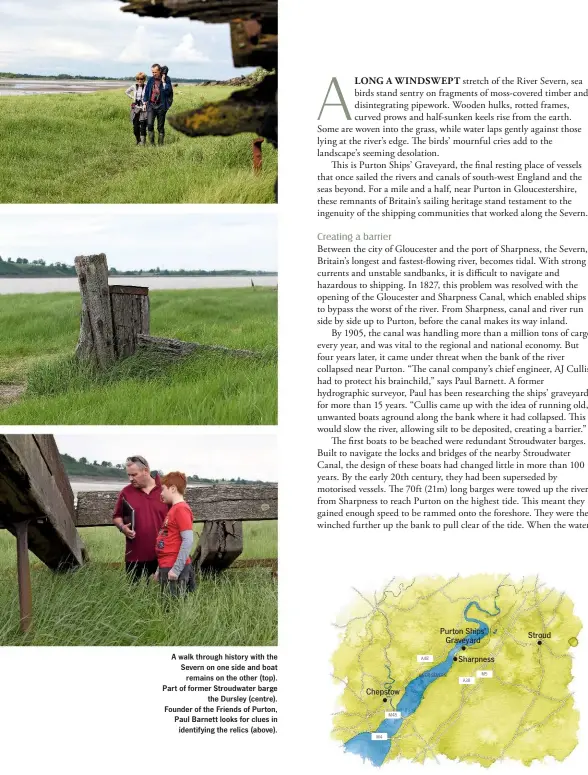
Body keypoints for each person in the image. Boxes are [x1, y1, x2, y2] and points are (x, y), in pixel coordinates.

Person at [112, 455, 168, 582]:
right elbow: (116, 517)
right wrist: (122, 528)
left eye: (134, 474)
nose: (130, 479)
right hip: (135, 556)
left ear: (146, 471)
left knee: (162, 596)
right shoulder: (126, 492)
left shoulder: (165, 489)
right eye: (128, 475)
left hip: (163, 555)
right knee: (134, 597)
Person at [154, 472, 197, 597]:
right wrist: (159, 569)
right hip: (166, 564)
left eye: (163, 489)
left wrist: (176, 569)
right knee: (169, 603)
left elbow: (188, 540)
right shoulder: (172, 509)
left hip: (174, 566)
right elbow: (167, 539)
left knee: (173, 606)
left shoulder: (181, 509)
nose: (161, 493)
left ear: (173, 489)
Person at [143, 63, 174, 146]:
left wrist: (163, 81)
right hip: (151, 106)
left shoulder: (167, 79)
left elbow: (168, 92)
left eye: (155, 72)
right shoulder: (150, 80)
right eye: (152, 72)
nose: (153, 74)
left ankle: (160, 144)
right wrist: (144, 102)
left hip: (161, 106)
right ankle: (152, 144)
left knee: (160, 127)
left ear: (160, 71)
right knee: (149, 125)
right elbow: (146, 92)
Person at [125, 72, 148, 145]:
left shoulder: (147, 86)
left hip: (144, 108)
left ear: (144, 79)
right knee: (135, 127)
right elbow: (126, 92)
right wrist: (132, 97)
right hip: (135, 108)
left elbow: (150, 96)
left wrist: (146, 103)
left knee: (143, 125)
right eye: (137, 79)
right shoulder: (134, 86)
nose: (139, 80)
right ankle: (138, 140)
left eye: (141, 79)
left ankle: (143, 143)